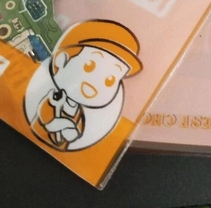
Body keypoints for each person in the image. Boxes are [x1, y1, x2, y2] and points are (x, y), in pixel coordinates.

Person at [29, 19, 142, 151]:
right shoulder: (53, 99)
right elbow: (45, 119)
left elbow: (72, 135)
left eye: (110, 79)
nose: (94, 82)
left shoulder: (78, 112)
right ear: (62, 60)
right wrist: (61, 124)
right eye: (89, 65)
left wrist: (68, 129)